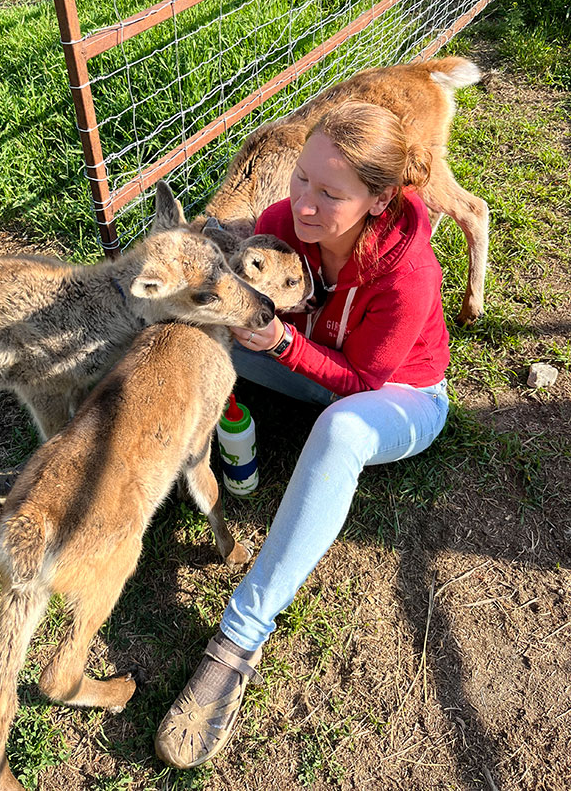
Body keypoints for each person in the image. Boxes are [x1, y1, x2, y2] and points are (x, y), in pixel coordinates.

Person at [155, 100, 451, 768]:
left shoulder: (409, 273)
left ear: (379, 199)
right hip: (306, 355)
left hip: (398, 395)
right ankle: (150, 459)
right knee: (197, 323)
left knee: (341, 429)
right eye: (301, 179)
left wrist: (284, 343)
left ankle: (236, 641)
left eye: (330, 193)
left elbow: (360, 383)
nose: (304, 204)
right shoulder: (279, 224)